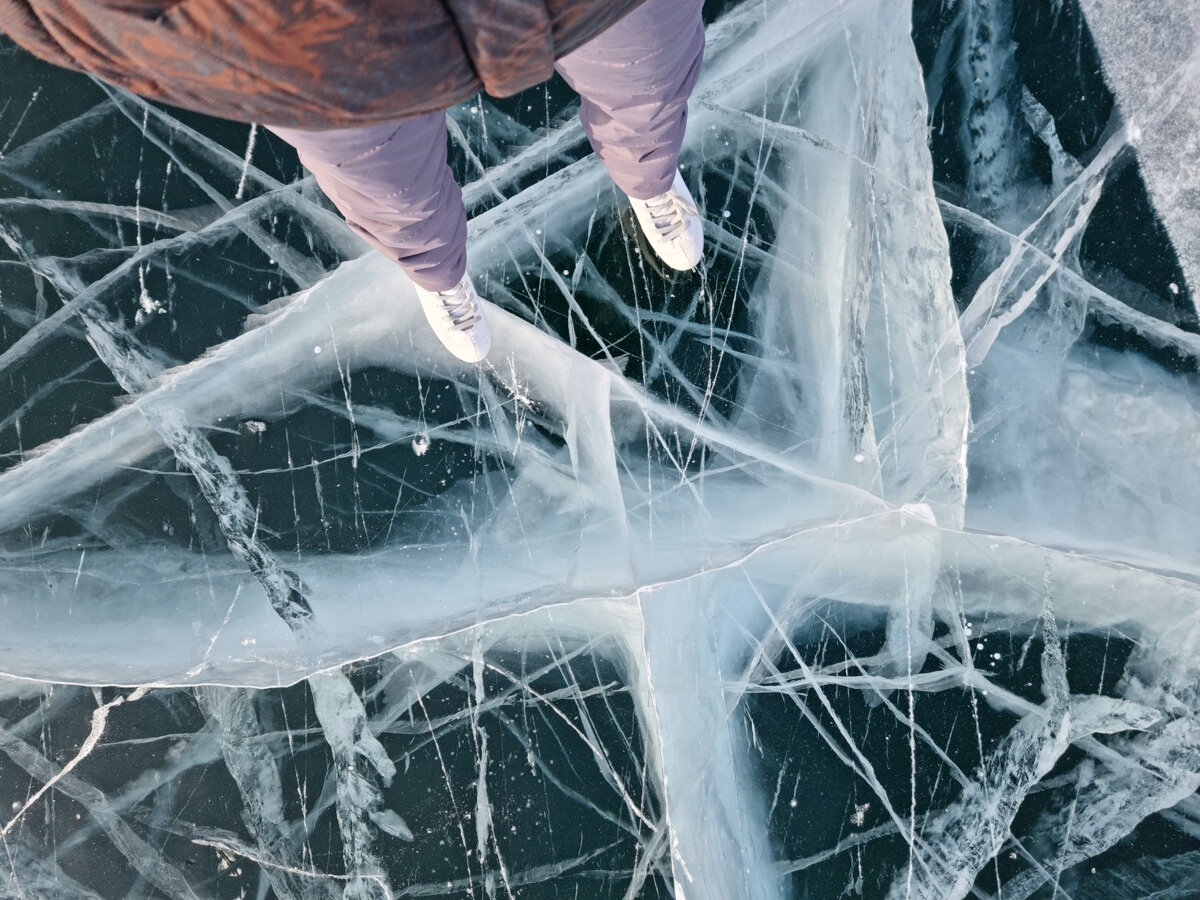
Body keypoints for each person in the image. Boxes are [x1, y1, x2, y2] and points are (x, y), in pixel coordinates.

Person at [0, 0, 706, 363]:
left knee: (648, 87)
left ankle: (649, 176)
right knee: (394, 194)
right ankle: (439, 274)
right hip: (312, 50)